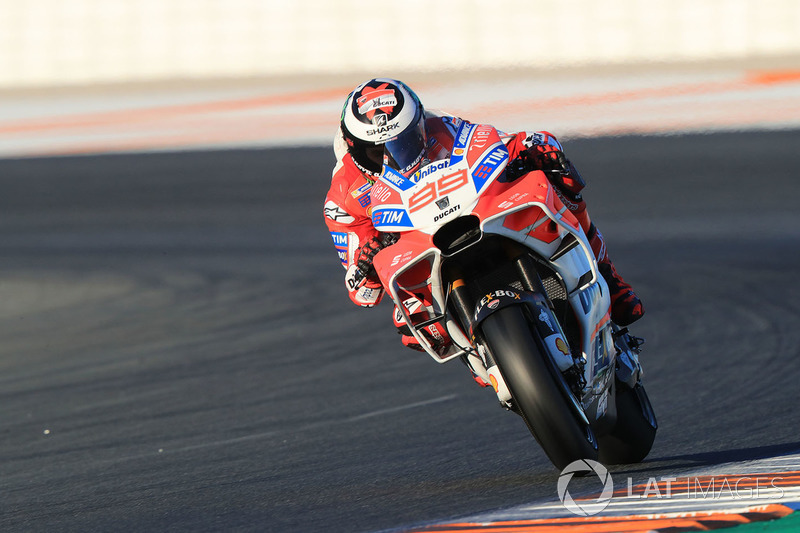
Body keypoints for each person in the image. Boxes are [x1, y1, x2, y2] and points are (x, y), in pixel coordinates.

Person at [323, 78, 643, 352]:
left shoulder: (440, 125)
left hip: (475, 213)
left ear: (417, 123)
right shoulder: (342, 198)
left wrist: (532, 148)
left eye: (403, 141)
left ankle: (608, 276)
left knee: (550, 179)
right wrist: (366, 260)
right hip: (419, 249)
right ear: (354, 147)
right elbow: (361, 292)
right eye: (378, 151)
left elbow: (497, 142)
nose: (393, 154)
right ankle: (484, 355)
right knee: (411, 329)